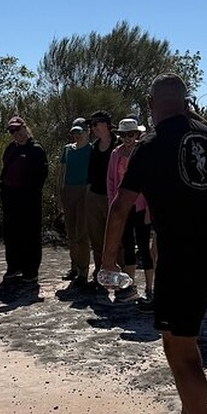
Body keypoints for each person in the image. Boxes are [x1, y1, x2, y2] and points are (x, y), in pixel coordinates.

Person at [100, 73, 207, 414]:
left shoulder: (152, 145)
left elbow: (121, 207)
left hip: (183, 256)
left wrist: (108, 263)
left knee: (181, 349)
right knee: (178, 339)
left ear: (153, 103)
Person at [106, 117, 152, 303]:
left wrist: (149, 208)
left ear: (137, 134)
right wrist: (112, 205)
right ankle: (130, 286)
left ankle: (150, 288)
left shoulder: (144, 152)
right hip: (123, 207)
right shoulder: (115, 154)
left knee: (143, 246)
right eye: (124, 134)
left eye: (131, 134)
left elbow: (150, 183)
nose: (128, 138)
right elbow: (110, 181)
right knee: (127, 247)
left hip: (141, 206)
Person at [0, 116, 48, 283]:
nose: (16, 133)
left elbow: (41, 176)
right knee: (12, 233)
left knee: (30, 234)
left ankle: (30, 270)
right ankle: (14, 266)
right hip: (10, 198)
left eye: (18, 129)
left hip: (29, 199)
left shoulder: (36, 149)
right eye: (12, 131)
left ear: (25, 128)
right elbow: (5, 170)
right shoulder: (10, 149)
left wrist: (30, 193)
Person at [57, 117, 92, 286]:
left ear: (87, 132)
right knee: (70, 234)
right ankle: (74, 267)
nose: (76, 135)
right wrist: (59, 196)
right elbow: (62, 173)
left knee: (81, 234)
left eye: (79, 132)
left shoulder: (92, 150)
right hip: (68, 192)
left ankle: (84, 271)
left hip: (85, 192)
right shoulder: (67, 150)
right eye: (74, 132)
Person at [86, 110, 117, 286]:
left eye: (96, 124)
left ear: (106, 124)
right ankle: (100, 272)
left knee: (115, 238)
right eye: (92, 125)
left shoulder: (118, 145)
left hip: (113, 198)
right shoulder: (94, 147)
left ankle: (116, 272)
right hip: (94, 196)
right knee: (96, 238)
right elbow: (90, 173)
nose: (93, 128)